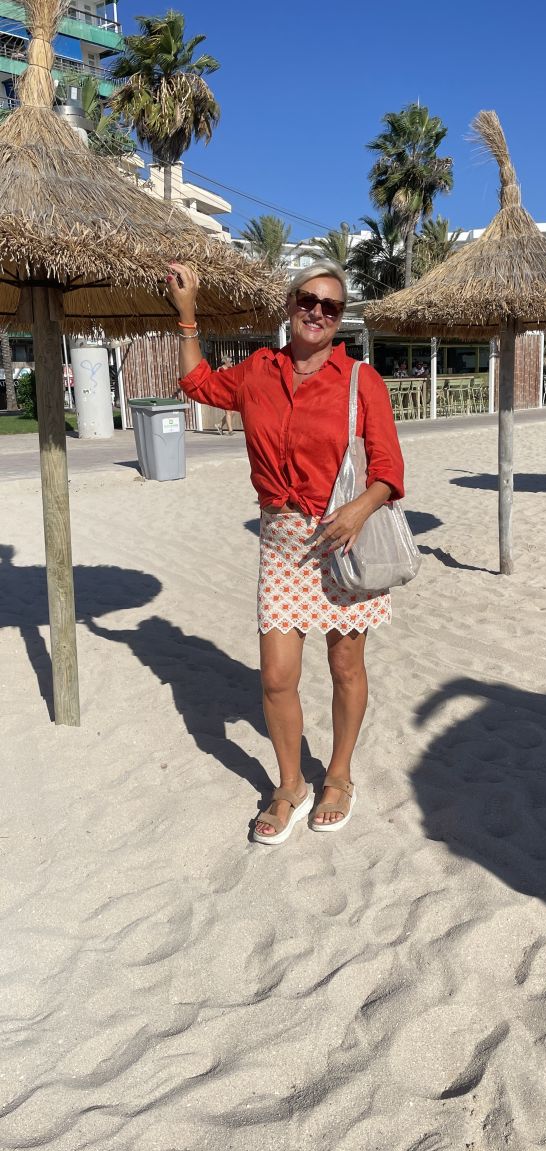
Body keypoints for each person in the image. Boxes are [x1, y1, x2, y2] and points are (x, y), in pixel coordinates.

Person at [166, 259, 405, 845]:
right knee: (276, 678)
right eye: (308, 300)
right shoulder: (257, 372)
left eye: (331, 307)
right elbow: (197, 385)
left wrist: (357, 510)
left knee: (345, 664)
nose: (318, 312)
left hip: (345, 536)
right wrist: (188, 315)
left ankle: (340, 776)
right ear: (290, 305)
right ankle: (291, 784)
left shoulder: (359, 381)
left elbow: (389, 469)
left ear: (341, 319)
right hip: (281, 539)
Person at [216, 355, 235, 434]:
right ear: (226, 362)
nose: (232, 363)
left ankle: (219, 425)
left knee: (233, 411)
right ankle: (230, 430)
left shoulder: (230, 369)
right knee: (228, 411)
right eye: (230, 362)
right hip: (224, 392)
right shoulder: (220, 370)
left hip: (230, 392)